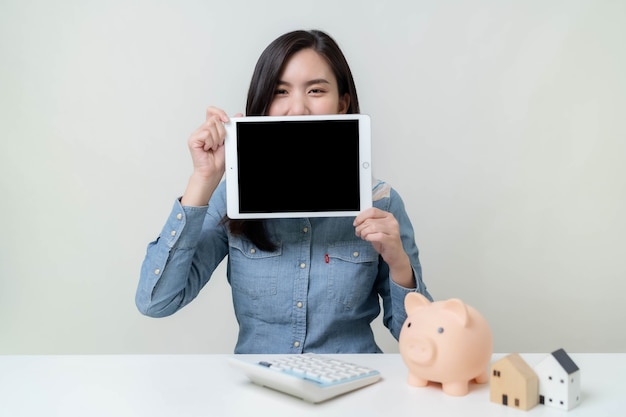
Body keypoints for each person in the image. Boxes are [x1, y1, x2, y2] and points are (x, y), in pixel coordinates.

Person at [136, 29, 432, 354]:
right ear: (262, 104)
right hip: (262, 394)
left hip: (352, 389)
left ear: (343, 103)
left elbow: (421, 344)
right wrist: (203, 180)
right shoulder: (230, 199)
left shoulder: (381, 202)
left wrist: (400, 265)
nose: (298, 109)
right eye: (280, 91)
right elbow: (155, 302)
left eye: (316, 90)